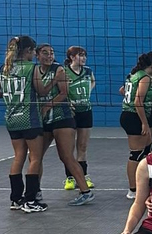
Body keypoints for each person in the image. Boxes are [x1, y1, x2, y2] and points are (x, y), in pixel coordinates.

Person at [0, 35, 52, 212]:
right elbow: (40, 91)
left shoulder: (4, 68)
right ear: (29, 51)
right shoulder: (32, 68)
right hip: (29, 118)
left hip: (11, 119)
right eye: (33, 51)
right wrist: (54, 82)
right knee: (36, 157)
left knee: (18, 157)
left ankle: (16, 199)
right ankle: (30, 200)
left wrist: (12, 95)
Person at [35, 43, 94, 206]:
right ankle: (35, 191)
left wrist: (47, 106)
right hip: (45, 120)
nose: (49, 56)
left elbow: (64, 93)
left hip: (62, 117)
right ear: (37, 55)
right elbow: (41, 91)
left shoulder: (59, 69)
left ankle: (85, 191)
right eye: (45, 53)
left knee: (68, 155)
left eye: (51, 53)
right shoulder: (35, 71)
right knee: (36, 156)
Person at [120, 51, 152, 199]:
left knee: (149, 149)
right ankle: (132, 190)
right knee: (136, 153)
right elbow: (138, 102)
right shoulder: (144, 77)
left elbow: (122, 91)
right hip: (134, 116)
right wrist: (144, 123)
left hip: (129, 115)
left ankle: (146, 184)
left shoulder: (134, 75)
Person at [63, 46, 95, 191]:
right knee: (68, 148)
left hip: (85, 111)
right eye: (81, 55)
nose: (84, 58)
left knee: (82, 146)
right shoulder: (64, 72)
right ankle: (69, 177)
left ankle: (84, 176)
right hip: (70, 112)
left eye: (84, 55)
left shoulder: (88, 71)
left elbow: (93, 81)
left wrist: (87, 93)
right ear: (72, 57)